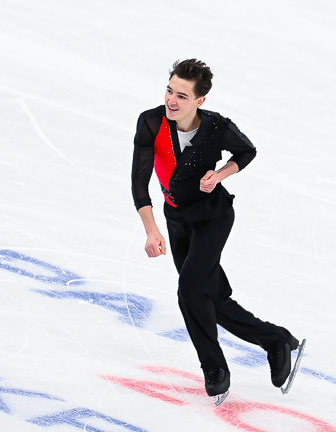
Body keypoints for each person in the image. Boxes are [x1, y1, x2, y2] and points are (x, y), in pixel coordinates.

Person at [130, 59, 305, 404]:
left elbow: (246, 151)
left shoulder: (216, 127)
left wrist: (220, 174)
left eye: (182, 95)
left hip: (213, 217)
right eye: (169, 91)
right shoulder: (150, 122)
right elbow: (139, 182)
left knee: (190, 290)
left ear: (200, 101)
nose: (171, 100)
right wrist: (151, 230)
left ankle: (215, 369)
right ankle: (276, 340)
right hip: (176, 219)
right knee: (211, 297)